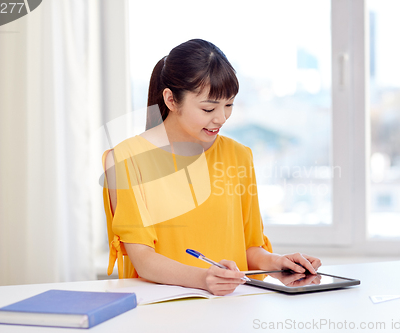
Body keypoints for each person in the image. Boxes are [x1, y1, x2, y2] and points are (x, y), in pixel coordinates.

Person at [102, 39, 321, 296]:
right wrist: (205, 278)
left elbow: (249, 248)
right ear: (171, 100)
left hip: (232, 309)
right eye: (208, 108)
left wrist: (278, 263)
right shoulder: (128, 159)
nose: (221, 118)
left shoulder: (239, 156)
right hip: (161, 311)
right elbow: (144, 260)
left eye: (228, 105)